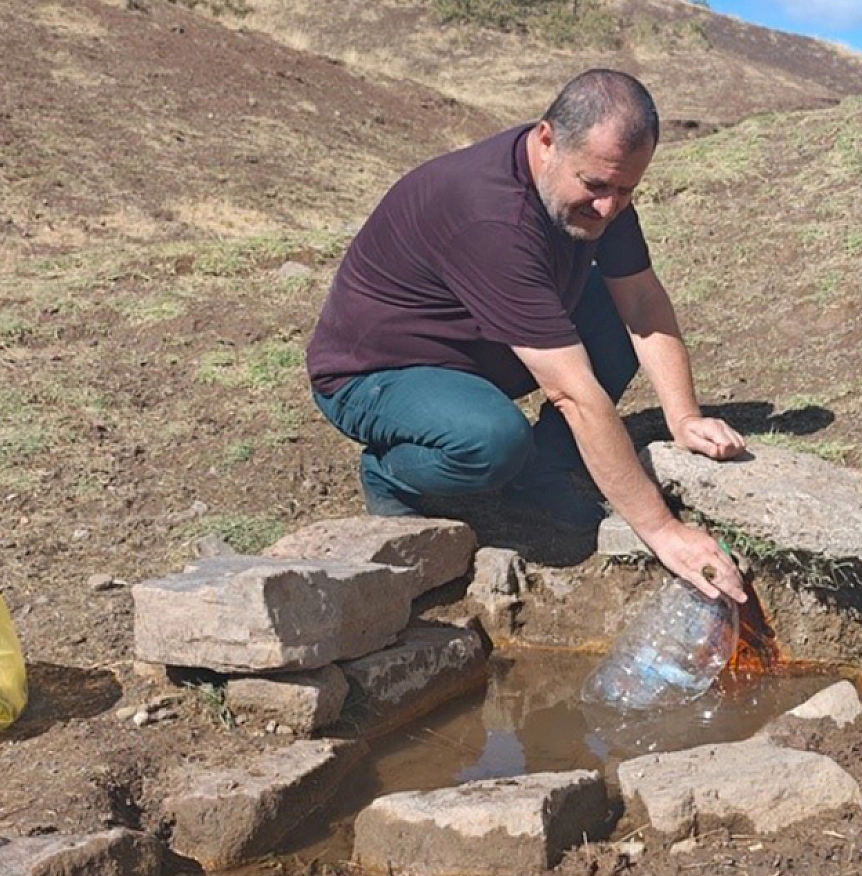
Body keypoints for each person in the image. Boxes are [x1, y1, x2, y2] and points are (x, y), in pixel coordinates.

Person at [306, 69, 746, 604]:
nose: (609, 207)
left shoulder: (594, 182)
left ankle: (543, 468)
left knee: (609, 315)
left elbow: (642, 300)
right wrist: (662, 530)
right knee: (492, 441)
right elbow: (572, 393)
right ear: (546, 140)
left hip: (478, 344)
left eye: (626, 189)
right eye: (596, 186)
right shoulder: (491, 216)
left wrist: (684, 416)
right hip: (377, 372)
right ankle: (394, 473)